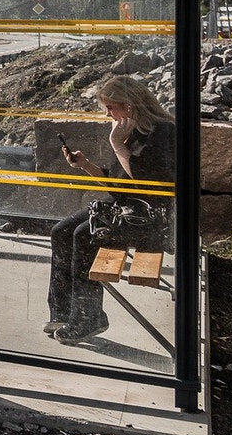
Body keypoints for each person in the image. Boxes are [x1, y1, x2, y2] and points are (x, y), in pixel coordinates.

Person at [46, 74, 175, 345]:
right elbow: (118, 183)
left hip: (149, 220)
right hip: (127, 210)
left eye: (111, 107)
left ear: (130, 104)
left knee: (83, 235)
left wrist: (117, 144)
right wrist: (86, 166)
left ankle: (89, 317)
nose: (108, 114)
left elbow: (147, 185)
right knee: (61, 231)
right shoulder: (132, 132)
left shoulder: (162, 132)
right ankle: (64, 311)